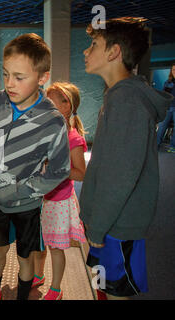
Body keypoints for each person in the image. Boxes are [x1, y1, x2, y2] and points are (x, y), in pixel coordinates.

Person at [80, 17, 173, 300]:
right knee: (103, 288)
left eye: (93, 44)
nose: (86, 51)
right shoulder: (118, 95)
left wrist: (98, 225)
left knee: (116, 292)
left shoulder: (126, 101)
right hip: (109, 221)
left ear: (114, 52)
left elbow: (120, 175)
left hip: (116, 226)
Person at [0, 33, 71, 300]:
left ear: (42, 77)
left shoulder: (52, 120)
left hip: (27, 205)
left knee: (26, 258)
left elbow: (60, 170)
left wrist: (22, 189)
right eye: (5, 74)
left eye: (19, 77)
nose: (9, 83)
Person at [32, 82, 88, 300]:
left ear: (67, 106)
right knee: (39, 241)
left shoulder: (73, 138)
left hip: (58, 200)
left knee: (56, 247)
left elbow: (81, 173)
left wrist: (58, 169)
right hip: (40, 196)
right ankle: (38, 275)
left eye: (52, 102)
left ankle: (56, 287)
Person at [156, 63, 175, 152]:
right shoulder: (168, 82)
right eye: (173, 70)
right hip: (168, 107)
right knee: (162, 125)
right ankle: (155, 145)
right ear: (171, 71)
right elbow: (164, 95)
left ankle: (173, 146)